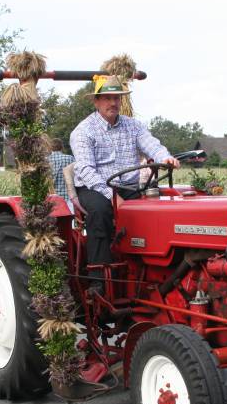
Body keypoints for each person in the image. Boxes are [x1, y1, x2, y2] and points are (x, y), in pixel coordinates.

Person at [69, 75, 180, 293]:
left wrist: (165, 157)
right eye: (107, 98)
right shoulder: (83, 131)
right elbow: (86, 170)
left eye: (117, 98)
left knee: (157, 207)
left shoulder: (133, 126)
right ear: (96, 101)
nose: (113, 103)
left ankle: (153, 266)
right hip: (95, 186)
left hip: (129, 187)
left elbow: (152, 145)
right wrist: (112, 197)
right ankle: (99, 280)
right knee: (100, 211)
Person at [46, 138, 75, 212]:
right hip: (68, 198)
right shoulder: (70, 158)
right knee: (69, 218)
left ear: (50, 147)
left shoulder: (45, 160)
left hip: (51, 198)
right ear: (62, 147)